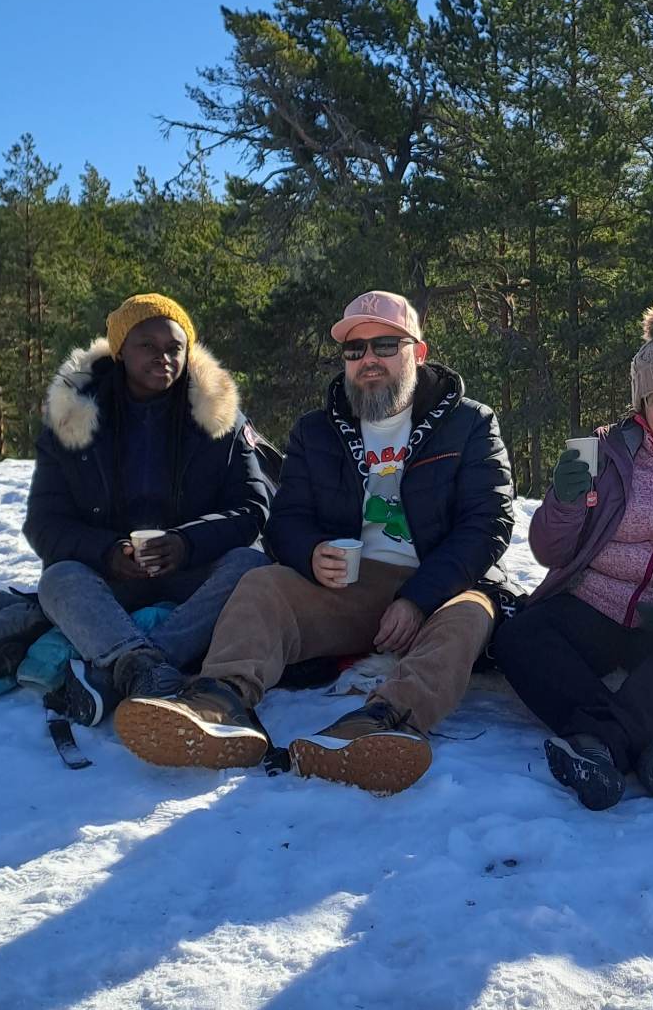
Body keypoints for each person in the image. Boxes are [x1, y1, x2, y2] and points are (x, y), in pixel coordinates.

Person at [112, 289, 515, 789]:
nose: (368, 360)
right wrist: (309, 553)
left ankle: (376, 724)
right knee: (264, 584)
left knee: (471, 615)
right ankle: (219, 703)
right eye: (355, 350)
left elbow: (488, 523)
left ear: (419, 352)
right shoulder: (317, 430)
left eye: (385, 345)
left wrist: (417, 598)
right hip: (350, 585)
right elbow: (285, 520)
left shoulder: (469, 422)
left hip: (442, 585)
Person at [493, 304, 653, 810]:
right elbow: (548, 550)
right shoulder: (601, 453)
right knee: (518, 636)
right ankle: (649, 740)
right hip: (591, 606)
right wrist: (564, 501)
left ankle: (599, 746)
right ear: (642, 408)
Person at [25, 294, 277, 720]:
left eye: (174, 347)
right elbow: (44, 522)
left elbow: (254, 506)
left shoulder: (219, 416)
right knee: (58, 578)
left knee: (250, 567)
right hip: (113, 574)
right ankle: (146, 666)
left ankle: (133, 665)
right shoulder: (74, 416)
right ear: (121, 350)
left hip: (193, 572)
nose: (163, 357)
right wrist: (107, 551)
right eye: (147, 345)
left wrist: (187, 543)